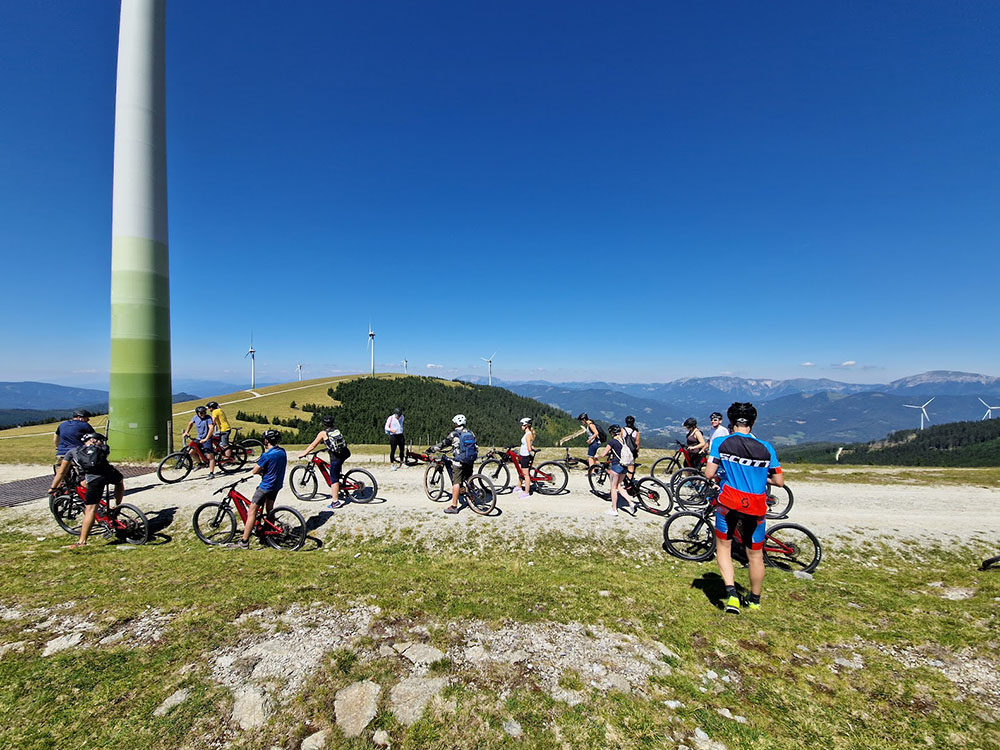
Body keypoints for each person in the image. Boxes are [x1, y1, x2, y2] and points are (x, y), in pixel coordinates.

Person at [703, 402, 784, 614]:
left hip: (728, 503)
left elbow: (709, 474)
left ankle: (732, 596)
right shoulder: (767, 447)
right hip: (756, 506)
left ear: (730, 422)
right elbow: (779, 481)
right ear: (753, 422)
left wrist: (725, 473)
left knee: (723, 547)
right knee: (755, 555)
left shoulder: (720, 442)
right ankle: (755, 600)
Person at [52, 432, 125, 549]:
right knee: (119, 482)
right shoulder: (102, 448)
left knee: (90, 510)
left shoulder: (73, 452)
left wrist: (53, 487)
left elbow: (61, 472)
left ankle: (82, 541)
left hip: (94, 480)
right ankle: (117, 506)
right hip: (110, 474)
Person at [228, 429, 287, 549]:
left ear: (266, 440)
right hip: (276, 485)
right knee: (269, 509)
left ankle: (244, 542)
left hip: (265, 486)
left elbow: (255, 471)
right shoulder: (282, 452)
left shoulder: (267, 455)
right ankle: (269, 532)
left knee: (252, 512)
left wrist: (261, 471)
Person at [299, 415, 352, 509]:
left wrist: (304, 453)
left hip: (336, 457)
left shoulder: (323, 433)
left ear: (324, 424)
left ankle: (335, 502)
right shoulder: (336, 430)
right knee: (336, 469)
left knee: (333, 479)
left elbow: (313, 445)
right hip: (345, 453)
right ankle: (339, 484)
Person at [429, 414, 477, 515]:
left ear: (456, 423)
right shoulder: (470, 432)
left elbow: (443, 444)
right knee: (469, 477)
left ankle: (454, 506)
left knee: (456, 482)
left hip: (459, 460)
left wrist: (433, 448)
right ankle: (472, 497)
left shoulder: (454, 434)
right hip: (470, 459)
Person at [597, 424, 634, 516]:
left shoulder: (612, 442)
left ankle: (614, 509)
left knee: (613, 488)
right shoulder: (623, 441)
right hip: (624, 467)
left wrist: (596, 456)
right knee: (619, 486)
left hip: (616, 466)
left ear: (612, 433)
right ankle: (631, 503)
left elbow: (604, 453)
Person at [52, 409, 94, 489]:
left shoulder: (62, 425)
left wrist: (57, 447)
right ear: (80, 418)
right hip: (77, 454)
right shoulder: (84, 425)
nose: (88, 420)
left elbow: (55, 437)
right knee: (83, 477)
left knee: (60, 476)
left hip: (61, 454)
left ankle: (56, 493)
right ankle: (89, 497)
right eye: (86, 418)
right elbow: (93, 438)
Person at [182, 406, 216, 478]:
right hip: (199, 438)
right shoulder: (195, 417)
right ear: (197, 413)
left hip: (207, 438)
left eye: (204, 412)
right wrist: (186, 432)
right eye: (201, 413)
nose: (203, 414)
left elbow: (211, 428)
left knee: (210, 456)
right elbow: (190, 423)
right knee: (191, 452)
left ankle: (211, 473)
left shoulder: (208, 418)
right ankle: (200, 464)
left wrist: (206, 438)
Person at [516, 417, 535, 498]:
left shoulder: (528, 435)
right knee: (521, 472)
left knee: (526, 475)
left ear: (526, 425)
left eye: (522, 425)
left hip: (525, 456)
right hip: (523, 455)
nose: (521, 426)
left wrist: (530, 448)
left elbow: (529, 448)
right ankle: (519, 486)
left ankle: (526, 492)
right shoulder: (528, 433)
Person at [622, 415, 641, 481]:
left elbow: (620, 440)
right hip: (632, 450)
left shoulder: (622, 430)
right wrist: (637, 451)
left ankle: (622, 478)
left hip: (624, 450)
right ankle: (629, 480)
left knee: (623, 464)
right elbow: (637, 443)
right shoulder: (636, 431)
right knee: (631, 465)